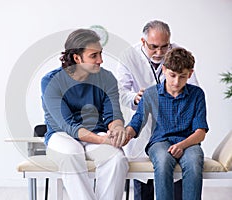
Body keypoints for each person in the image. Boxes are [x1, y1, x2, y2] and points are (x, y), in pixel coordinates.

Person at [41, 29, 130, 200]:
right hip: (61, 135)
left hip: (96, 132)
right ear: (77, 58)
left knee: (116, 158)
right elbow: (69, 126)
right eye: (94, 56)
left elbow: (113, 114)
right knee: (71, 154)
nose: (100, 60)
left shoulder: (107, 78)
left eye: (100, 54)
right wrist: (104, 140)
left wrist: (117, 128)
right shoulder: (51, 81)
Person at [116, 20, 199, 200]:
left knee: (177, 183)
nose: (159, 52)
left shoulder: (179, 56)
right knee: (144, 189)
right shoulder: (129, 56)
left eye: (164, 47)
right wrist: (135, 98)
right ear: (143, 41)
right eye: (154, 47)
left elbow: (192, 91)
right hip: (146, 130)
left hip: (179, 130)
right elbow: (120, 92)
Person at [126, 47, 209, 200]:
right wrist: (126, 134)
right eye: (172, 75)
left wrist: (182, 145)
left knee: (194, 162)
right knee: (163, 161)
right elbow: (137, 121)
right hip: (160, 142)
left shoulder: (197, 95)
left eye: (182, 76)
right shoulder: (151, 93)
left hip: (189, 143)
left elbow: (200, 132)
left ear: (190, 74)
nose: (176, 82)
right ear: (164, 70)